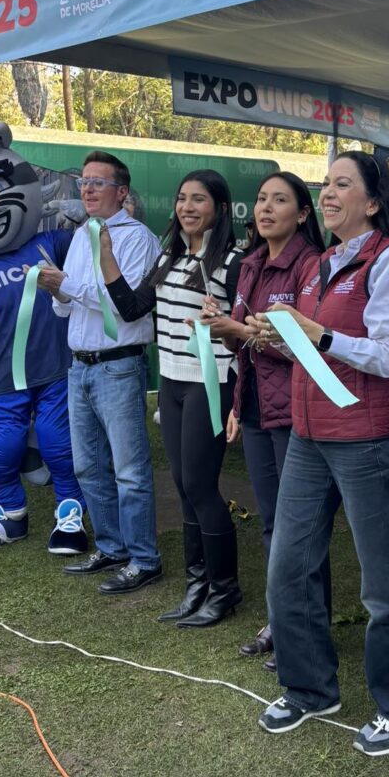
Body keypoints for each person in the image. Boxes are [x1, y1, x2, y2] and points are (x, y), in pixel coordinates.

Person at [256, 151, 389, 756]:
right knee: (287, 569)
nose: (327, 194)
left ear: (374, 202)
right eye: (325, 184)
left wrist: (320, 334)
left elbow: (388, 355)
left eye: (342, 185)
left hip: (365, 440)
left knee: (383, 581)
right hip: (308, 437)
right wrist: (277, 335)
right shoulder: (320, 262)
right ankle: (309, 689)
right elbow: (313, 351)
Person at [100, 170, 243, 627]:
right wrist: (106, 256)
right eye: (182, 198)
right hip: (172, 381)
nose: (186, 207)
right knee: (183, 487)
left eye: (198, 199)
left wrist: (223, 321)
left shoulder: (234, 261)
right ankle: (197, 585)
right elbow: (131, 308)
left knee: (201, 486)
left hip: (210, 381)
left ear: (220, 208)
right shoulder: (170, 255)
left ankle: (224, 590)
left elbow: (248, 328)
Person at [201, 171, 325, 665]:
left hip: (295, 410)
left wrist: (238, 329)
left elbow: (305, 349)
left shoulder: (310, 265)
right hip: (255, 407)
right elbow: (244, 345)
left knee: (300, 528)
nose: (266, 208)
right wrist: (224, 331)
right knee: (273, 521)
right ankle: (282, 620)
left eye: (280, 200)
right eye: (260, 199)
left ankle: (305, 628)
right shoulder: (250, 263)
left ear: (303, 213)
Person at [36, 151, 162, 594]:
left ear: (122, 192)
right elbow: (66, 309)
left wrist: (66, 285)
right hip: (80, 365)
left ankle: (144, 558)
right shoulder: (81, 236)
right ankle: (112, 547)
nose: (86, 189)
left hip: (118, 365)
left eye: (97, 182)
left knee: (129, 469)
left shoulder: (137, 239)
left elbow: (124, 307)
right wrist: (57, 290)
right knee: (88, 466)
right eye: (83, 182)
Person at [0, 125, 87, 555]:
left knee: (57, 443)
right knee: (0, 450)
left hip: (54, 368)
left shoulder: (50, 244)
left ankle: (70, 513)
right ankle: (10, 516)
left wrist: (89, 222)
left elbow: (103, 252)